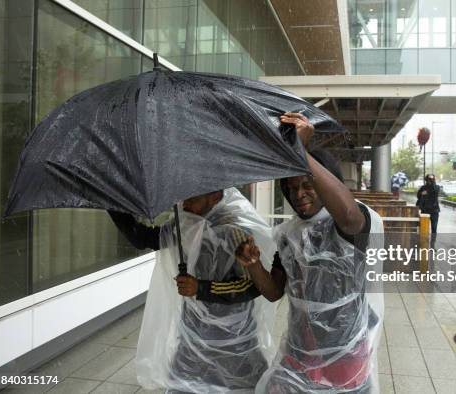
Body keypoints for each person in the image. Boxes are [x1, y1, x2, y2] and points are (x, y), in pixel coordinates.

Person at [235, 112, 385, 393]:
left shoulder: (348, 225)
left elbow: (350, 215)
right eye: (291, 188)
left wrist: (300, 152)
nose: (299, 194)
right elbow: (274, 291)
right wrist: (254, 265)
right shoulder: (288, 235)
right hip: (300, 349)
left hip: (345, 353)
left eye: (308, 185)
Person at [108, 188, 276, 393]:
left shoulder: (234, 232)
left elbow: (251, 287)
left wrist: (200, 288)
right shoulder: (185, 225)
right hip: (193, 338)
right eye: (182, 198)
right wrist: (111, 201)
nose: (184, 204)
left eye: (192, 199)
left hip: (233, 342)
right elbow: (143, 239)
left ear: (215, 197)